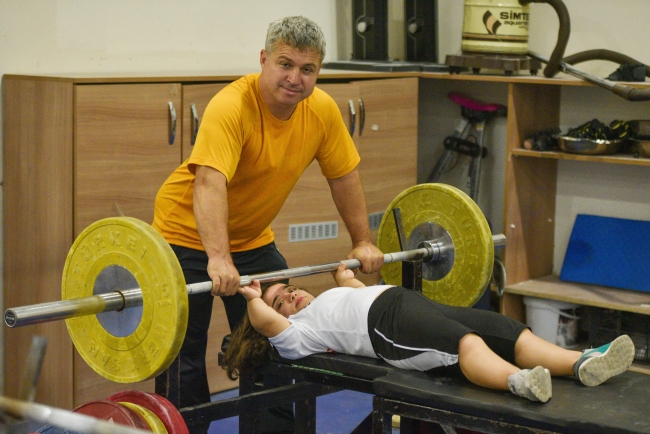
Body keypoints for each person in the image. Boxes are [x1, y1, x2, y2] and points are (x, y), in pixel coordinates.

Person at [151, 15, 384, 433]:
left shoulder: (322, 111)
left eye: (307, 69)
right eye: (285, 64)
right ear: (263, 59)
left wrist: (362, 241)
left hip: (254, 240)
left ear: (318, 72)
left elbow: (344, 176)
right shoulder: (232, 106)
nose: (295, 78)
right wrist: (218, 258)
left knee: (279, 339)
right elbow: (208, 181)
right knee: (184, 354)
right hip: (183, 236)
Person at [223, 263, 636, 403]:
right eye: (281, 300)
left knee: (504, 329)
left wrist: (345, 273)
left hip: (407, 304)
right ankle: (517, 382)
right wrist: (253, 295)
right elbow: (261, 318)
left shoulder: (327, 300)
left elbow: (359, 289)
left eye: (290, 288)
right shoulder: (297, 334)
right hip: (388, 328)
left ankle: (580, 363)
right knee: (464, 344)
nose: (291, 296)